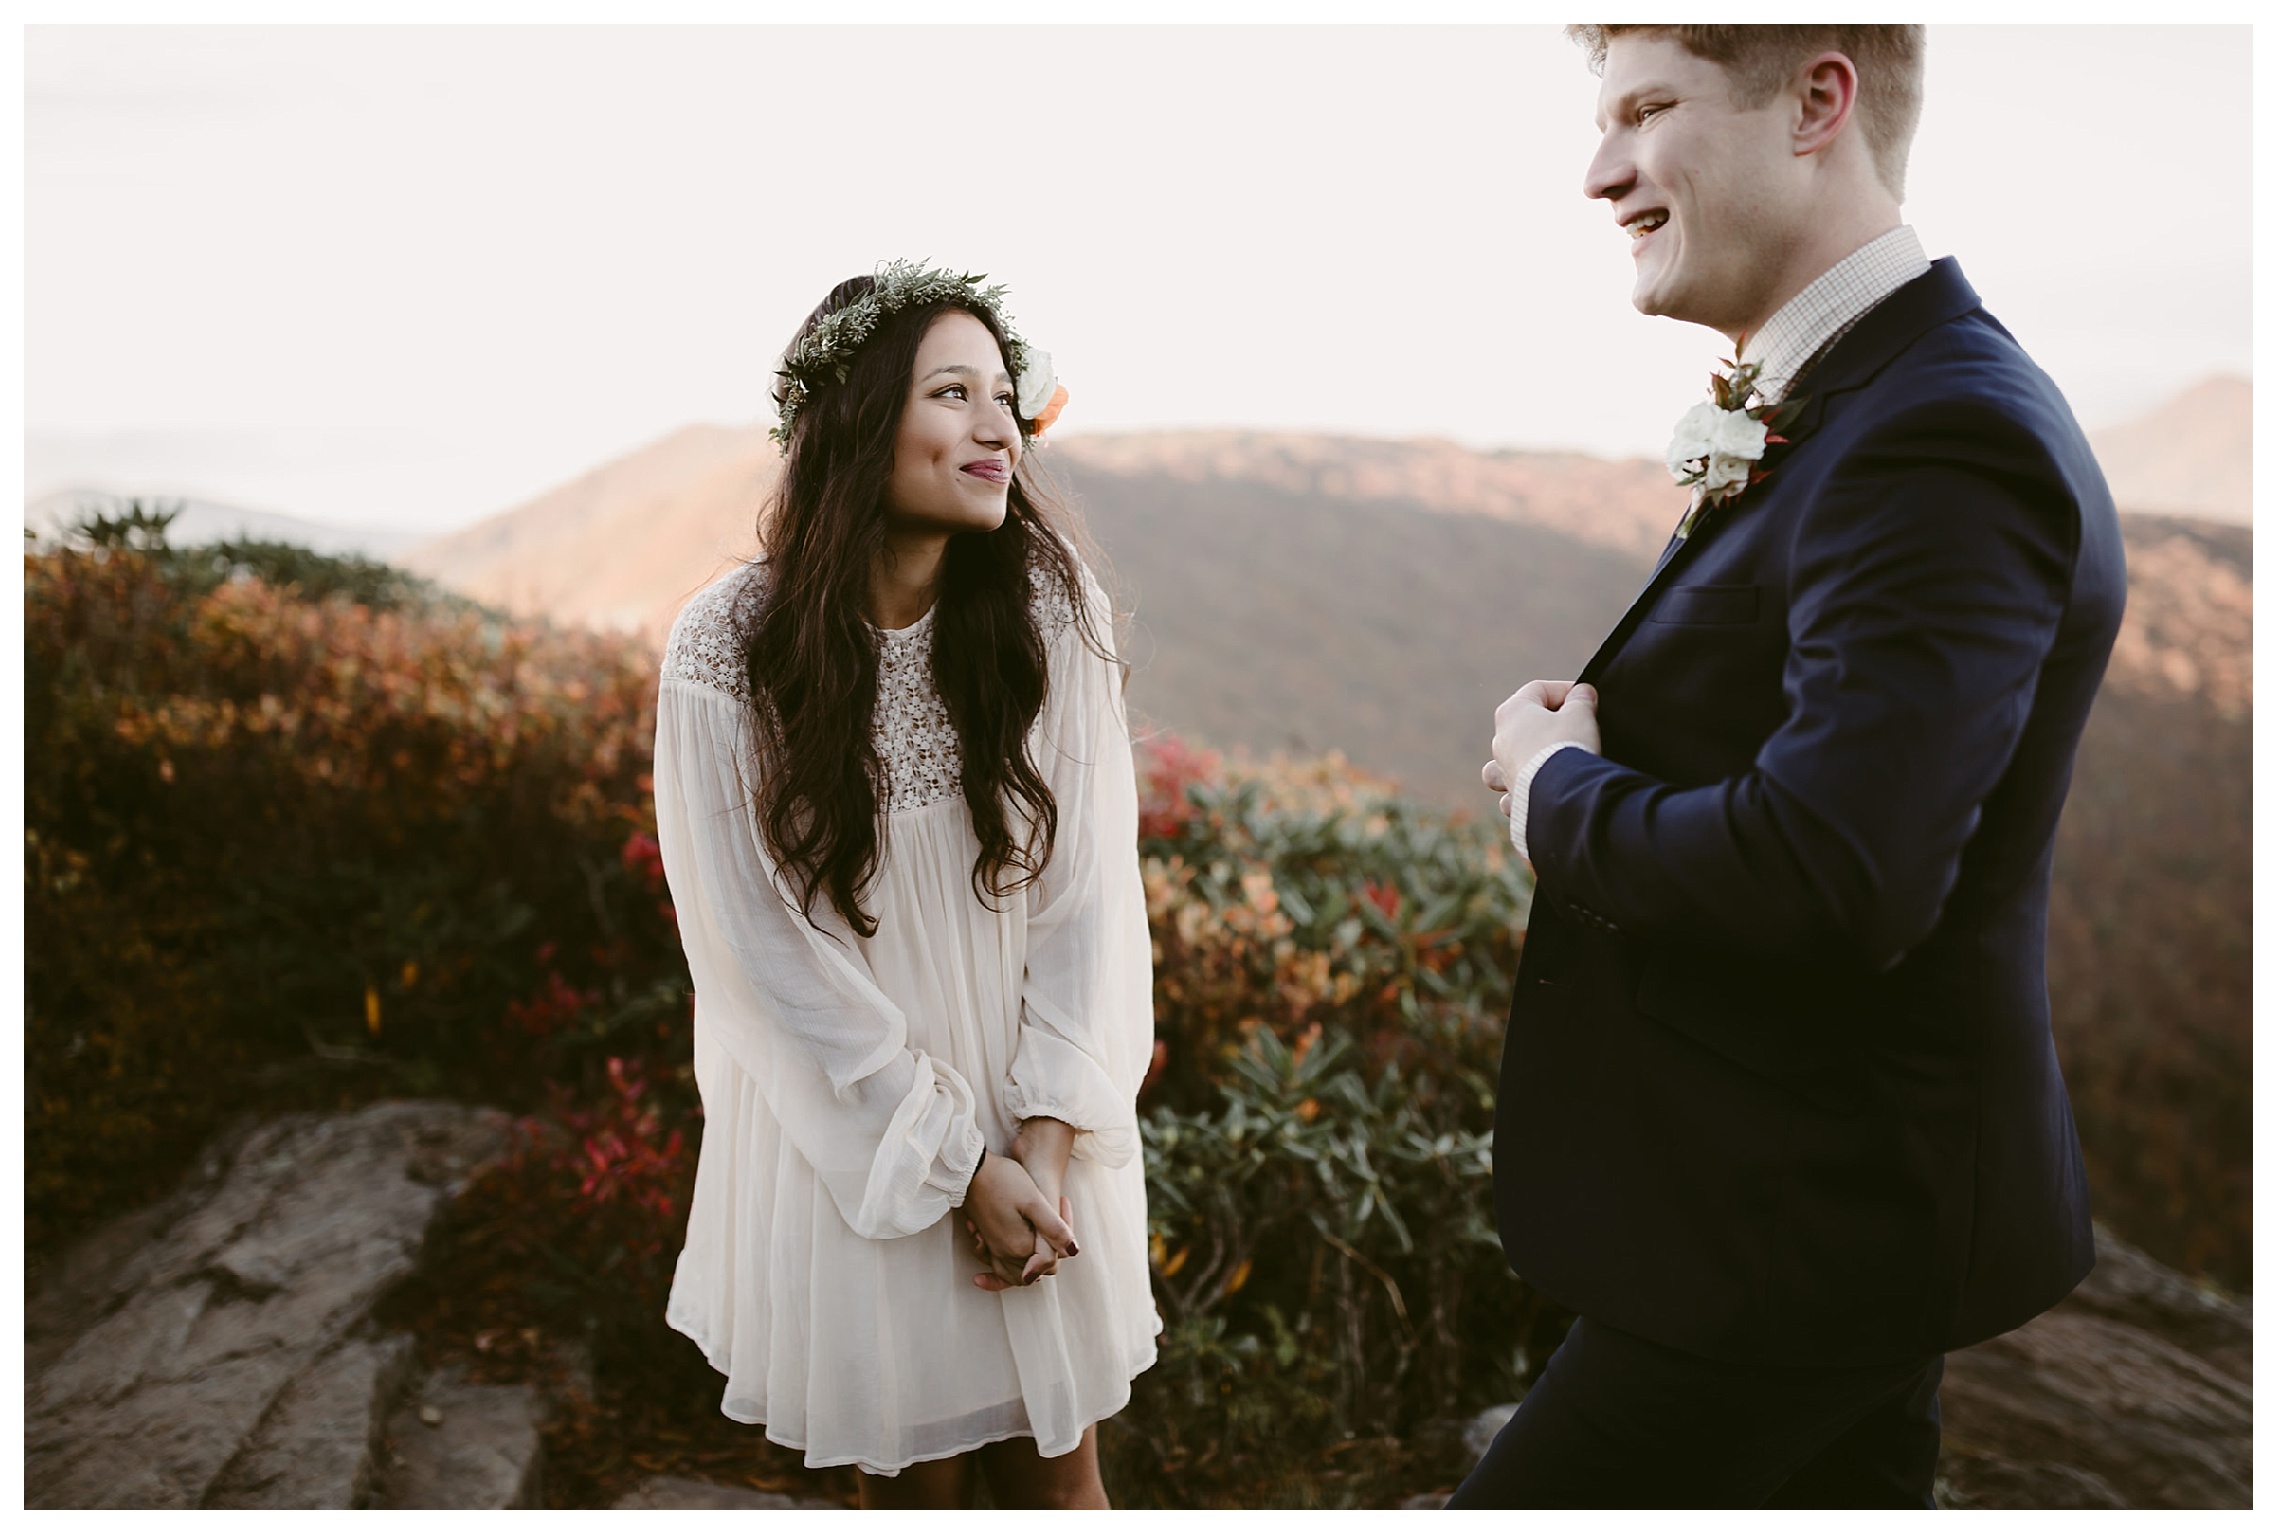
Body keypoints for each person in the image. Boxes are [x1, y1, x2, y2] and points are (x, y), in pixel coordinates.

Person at [1456, 26, 2125, 1508]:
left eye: (1646, 111)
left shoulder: (1937, 432)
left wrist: (1555, 794)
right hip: (1787, 1217)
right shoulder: (1864, 397)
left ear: (1818, 101)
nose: (1598, 171)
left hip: (1795, 1238)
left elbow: (1837, 871)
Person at [651, 262, 1159, 1508]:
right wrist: (945, 1165)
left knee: (1064, 1481)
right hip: (853, 1124)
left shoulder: (1046, 605)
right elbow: (758, 949)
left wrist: (1037, 1142)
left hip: (1030, 1096)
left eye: (1004, 393)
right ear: (858, 420)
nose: (999, 426)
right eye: (953, 393)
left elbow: (1090, 891)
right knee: (916, 1488)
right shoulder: (730, 644)